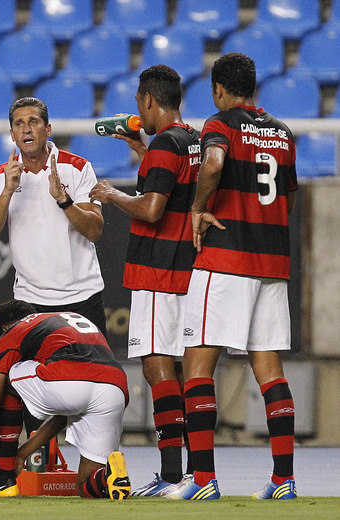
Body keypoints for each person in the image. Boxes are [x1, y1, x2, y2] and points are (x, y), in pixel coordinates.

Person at [167, 53, 299, 501]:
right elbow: (290, 193)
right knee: (269, 369)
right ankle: (284, 480)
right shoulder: (282, 133)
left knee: (199, 363)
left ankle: (203, 480)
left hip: (225, 260)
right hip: (272, 262)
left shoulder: (220, 123)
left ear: (219, 90)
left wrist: (199, 207)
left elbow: (216, 162)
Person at [89, 65, 200, 496]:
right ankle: (194, 472)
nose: (139, 110)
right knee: (185, 371)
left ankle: (172, 474)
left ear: (149, 100)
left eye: (139, 103)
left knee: (158, 370)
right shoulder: (189, 140)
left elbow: (153, 209)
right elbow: (174, 191)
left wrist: (111, 194)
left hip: (157, 270)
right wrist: (142, 152)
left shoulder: (166, 146)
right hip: (188, 270)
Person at [0, 97, 106, 437]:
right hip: (32, 300)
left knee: (92, 388)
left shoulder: (78, 167)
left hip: (81, 297)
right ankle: (37, 469)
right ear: (12, 134)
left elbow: (95, 229)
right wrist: (7, 191)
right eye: (19, 124)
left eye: (33, 122)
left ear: (47, 129)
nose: (26, 129)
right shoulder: (1, 175)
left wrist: (63, 200)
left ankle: (94, 468)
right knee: (31, 392)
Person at [0, 300, 130, 499]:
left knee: (4, 379)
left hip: (70, 379)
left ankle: (4, 481)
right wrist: (22, 453)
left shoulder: (11, 333)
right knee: (86, 485)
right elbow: (64, 412)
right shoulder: (63, 323)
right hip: (114, 387)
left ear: (5, 329)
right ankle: (109, 475)